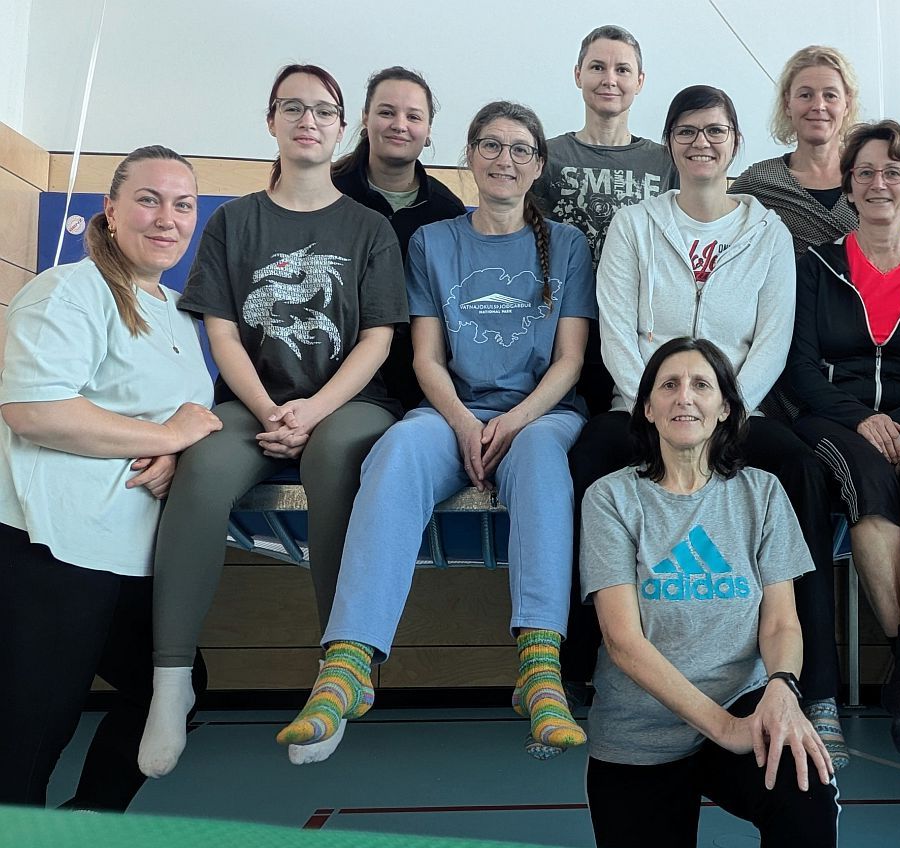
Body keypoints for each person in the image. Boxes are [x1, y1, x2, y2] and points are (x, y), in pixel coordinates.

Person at [277, 100, 594, 762]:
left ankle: (539, 667)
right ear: (468, 157)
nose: (504, 159)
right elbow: (425, 356)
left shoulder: (567, 244)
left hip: (538, 415)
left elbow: (569, 360)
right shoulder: (432, 242)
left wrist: (513, 420)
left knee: (538, 457)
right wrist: (460, 421)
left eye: (520, 149)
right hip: (452, 410)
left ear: (538, 166)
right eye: (490, 146)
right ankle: (349, 663)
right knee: (395, 452)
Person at [564, 84, 850, 769]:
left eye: (715, 131)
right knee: (586, 457)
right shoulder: (636, 224)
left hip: (736, 410)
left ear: (735, 144)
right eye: (687, 131)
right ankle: (576, 662)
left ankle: (818, 690)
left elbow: (773, 340)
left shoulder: (767, 233)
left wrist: (717, 413)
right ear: (670, 144)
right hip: (640, 408)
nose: (701, 142)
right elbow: (618, 331)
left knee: (802, 471)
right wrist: (660, 407)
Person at [137, 64, 408, 777]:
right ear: (271, 121)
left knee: (331, 460)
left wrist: (315, 411)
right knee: (200, 467)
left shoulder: (369, 227)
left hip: (351, 405)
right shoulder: (235, 220)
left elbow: (379, 337)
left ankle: (338, 674)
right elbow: (223, 333)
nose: (309, 120)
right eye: (294, 107)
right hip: (255, 403)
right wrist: (266, 409)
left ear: (341, 127)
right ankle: (169, 683)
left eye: (323, 110)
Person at [0, 146, 220, 808]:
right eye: (149, 199)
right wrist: (168, 437)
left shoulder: (181, 310)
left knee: (174, 687)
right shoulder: (68, 288)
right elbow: (36, 410)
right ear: (112, 208)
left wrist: (179, 451)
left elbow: (188, 417)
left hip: (131, 553)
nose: (166, 218)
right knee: (31, 737)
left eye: (182, 205)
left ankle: (89, 823)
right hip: (52, 549)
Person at [580, 337, 838, 848]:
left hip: (743, 703)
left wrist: (783, 690)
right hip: (640, 733)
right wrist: (724, 729)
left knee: (808, 791)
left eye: (702, 385)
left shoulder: (762, 493)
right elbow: (624, 643)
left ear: (724, 408)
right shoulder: (611, 498)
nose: (685, 398)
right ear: (646, 407)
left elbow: (782, 623)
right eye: (669, 385)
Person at [786, 120, 900, 759]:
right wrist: (859, 418)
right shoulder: (816, 265)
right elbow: (800, 367)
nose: (878, 183)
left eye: (892, 172)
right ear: (849, 186)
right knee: (868, 486)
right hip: (835, 421)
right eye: (865, 172)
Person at [533, 24, 677, 417]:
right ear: (578, 74)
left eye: (622, 70)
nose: (609, 80)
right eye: (597, 67)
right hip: (561, 323)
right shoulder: (546, 156)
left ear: (640, 81)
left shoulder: (665, 162)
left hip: (638, 327)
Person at [729, 45, 900, 255]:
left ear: (847, 104)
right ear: (788, 103)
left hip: (871, 300)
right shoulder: (758, 182)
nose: (818, 106)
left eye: (830, 95)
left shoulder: (874, 177)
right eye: (805, 95)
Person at [331, 65, 466, 413]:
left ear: (429, 131)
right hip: (329, 369)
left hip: (416, 382)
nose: (400, 125)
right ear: (365, 118)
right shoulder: (327, 191)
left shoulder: (447, 210)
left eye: (413, 116)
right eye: (387, 112)